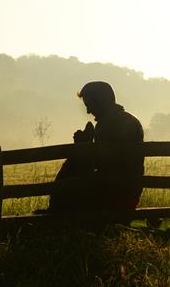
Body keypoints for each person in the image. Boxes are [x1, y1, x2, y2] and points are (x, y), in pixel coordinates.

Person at [48, 81, 144, 212]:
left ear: (100, 102)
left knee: (66, 184)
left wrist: (83, 147)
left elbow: (100, 163)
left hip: (112, 194)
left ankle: (59, 214)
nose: (88, 111)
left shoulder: (107, 125)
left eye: (89, 105)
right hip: (129, 193)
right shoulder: (129, 120)